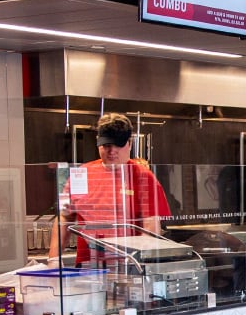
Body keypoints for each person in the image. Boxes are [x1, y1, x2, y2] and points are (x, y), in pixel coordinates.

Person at [53, 112, 171, 264]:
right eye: (107, 145)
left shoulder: (145, 178)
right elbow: (63, 217)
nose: (112, 151)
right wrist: (54, 259)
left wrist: (135, 263)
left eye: (118, 145)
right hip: (88, 266)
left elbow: (151, 228)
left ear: (129, 143)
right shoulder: (79, 174)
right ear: (98, 142)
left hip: (127, 266)